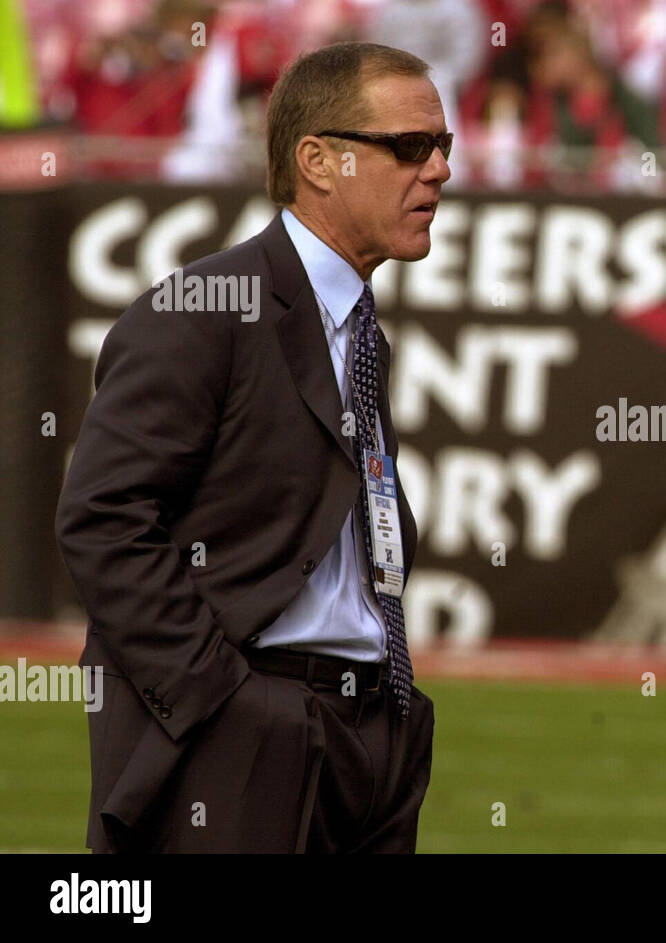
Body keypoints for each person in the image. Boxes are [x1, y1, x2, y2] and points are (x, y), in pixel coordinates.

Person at [55, 41, 451, 853]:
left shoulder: (365, 335)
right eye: (410, 147)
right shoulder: (203, 310)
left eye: (444, 146)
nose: (439, 169)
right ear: (318, 160)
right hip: (249, 734)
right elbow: (101, 520)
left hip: (372, 734)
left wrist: (396, 719)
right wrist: (223, 700)